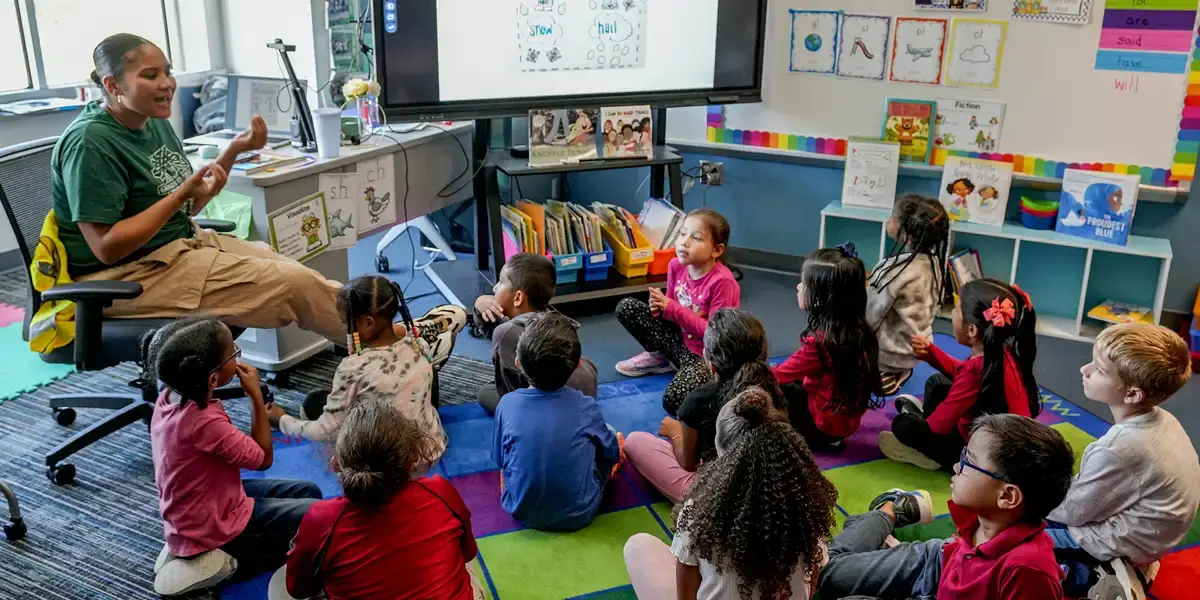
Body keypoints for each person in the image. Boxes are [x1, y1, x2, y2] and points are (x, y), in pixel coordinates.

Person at [51, 33, 450, 347]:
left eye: (167, 72)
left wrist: (233, 153)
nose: (167, 84)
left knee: (288, 268)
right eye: (150, 76)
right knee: (294, 288)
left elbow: (184, 208)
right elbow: (107, 247)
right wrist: (179, 197)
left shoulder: (151, 121)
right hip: (126, 277)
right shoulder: (91, 143)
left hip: (178, 246)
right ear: (111, 84)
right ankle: (395, 346)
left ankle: (388, 337)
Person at [818, 414, 1075, 600]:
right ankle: (890, 511)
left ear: (1007, 497)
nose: (955, 467)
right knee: (824, 573)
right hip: (938, 562)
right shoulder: (983, 517)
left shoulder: (1028, 571)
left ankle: (887, 514)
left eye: (967, 461)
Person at [147, 317, 322, 588]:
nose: (237, 354)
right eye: (233, 352)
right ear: (213, 378)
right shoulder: (205, 423)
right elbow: (263, 459)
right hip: (214, 524)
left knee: (309, 491)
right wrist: (255, 395)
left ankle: (191, 548)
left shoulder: (169, 394)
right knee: (316, 515)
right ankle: (223, 560)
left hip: (206, 502)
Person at [624, 386, 838, 600]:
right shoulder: (806, 510)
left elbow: (685, 585)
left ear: (722, 449)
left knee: (638, 545)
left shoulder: (701, 510)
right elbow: (810, 584)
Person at [1046, 323, 1199, 599]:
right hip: (1151, 541)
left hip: (1119, 546)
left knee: (1014, 536)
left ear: (1132, 394)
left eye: (1099, 370)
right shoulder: (1163, 421)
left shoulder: (1120, 448)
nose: (1085, 370)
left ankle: (1091, 576)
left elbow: (1070, 511)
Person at [282, 400, 484, 600]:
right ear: (413, 460)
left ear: (336, 464)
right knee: (462, 557)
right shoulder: (440, 491)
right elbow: (467, 552)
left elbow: (297, 588)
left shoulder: (322, 521)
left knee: (278, 585)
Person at [271, 277, 451, 467]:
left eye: (345, 322)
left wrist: (281, 420)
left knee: (313, 406)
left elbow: (323, 430)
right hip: (431, 449)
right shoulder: (420, 344)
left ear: (368, 323)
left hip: (390, 468)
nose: (344, 328)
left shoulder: (353, 367)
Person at [880, 278, 1040, 471]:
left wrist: (922, 426)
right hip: (1002, 443)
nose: (953, 314)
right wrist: (932, 353)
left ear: (972, 330)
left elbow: (939, 425)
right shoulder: (1001, 352)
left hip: (985, 458)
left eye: (956, 310)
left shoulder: (977, 369)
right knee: (937, 383)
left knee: (903, 425)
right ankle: (920, 417)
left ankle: (930, 454)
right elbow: (963, 374)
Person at [625, 308, 777, 504]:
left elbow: (687, 463)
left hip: (717, 495)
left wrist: (675, 432)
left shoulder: (699, 400)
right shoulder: (774, 388)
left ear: (711, 363)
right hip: (770, 486)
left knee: (635, 440)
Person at [492, 313, 621, 531]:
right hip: (579, 513)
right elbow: (610, 454)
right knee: (609, 432)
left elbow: (500, 458)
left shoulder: (506, 404)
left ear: (518, 364)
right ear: (578, 364)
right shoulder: (586, 406)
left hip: (519, 508)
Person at [615, 208, 740, 415]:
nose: (684, 241)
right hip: (678, 340)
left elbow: (715, 334)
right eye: (682, 234)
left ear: (716, 250)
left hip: (703, 355)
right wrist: (658, 308)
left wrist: (671, 308)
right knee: (627, 307)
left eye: (696, 237)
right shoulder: (676, 265)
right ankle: (660, 357)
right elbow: (672, 312)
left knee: (674, 401)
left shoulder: (723, 282)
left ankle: (705, 379)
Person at [774, 245, 883, 452]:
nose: (798, 287)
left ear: (822, 298)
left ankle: (812, 439)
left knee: (772, 387)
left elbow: (778, 375)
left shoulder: (818, 343)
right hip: (843, 422)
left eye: (804, 285)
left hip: (823, 426)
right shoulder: (858, 329)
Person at [472, 253, 598, 415]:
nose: (494, 288)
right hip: (585, 392)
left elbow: (510, 394)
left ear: (518, 297)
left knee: (486, 394)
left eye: (501, 281)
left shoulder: (506, 332)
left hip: (553, 407)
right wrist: (480, 304)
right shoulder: (551, 317)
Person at [866, 195, 950, 395]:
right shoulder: (935, 265)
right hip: (920, 349)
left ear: (907, 233)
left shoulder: (892, 271)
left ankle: (884, 374)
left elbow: (870, 316)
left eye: (892, 217)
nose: (889, 220)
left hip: (889, 353)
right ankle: (899, 372)